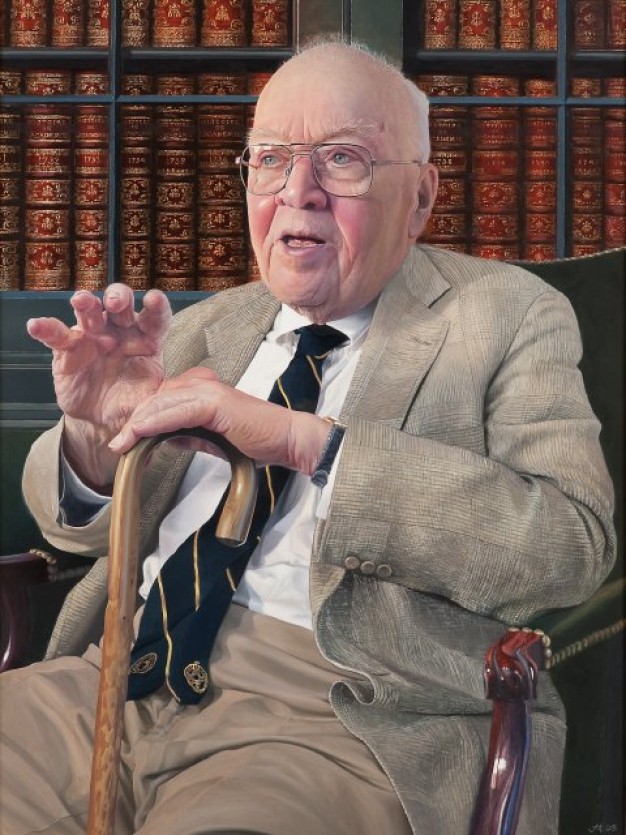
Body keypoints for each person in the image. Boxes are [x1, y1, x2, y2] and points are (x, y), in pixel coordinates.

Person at [0, 41, 615, 835]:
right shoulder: (206, 327)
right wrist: (93, 432)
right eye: (271, 159)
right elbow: (70, 527)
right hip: (112, 676)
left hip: (339, 717)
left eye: (343, 160)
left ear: (421, 195)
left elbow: (570, 543)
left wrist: (311, 445)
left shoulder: (507, 316)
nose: (299, 191)